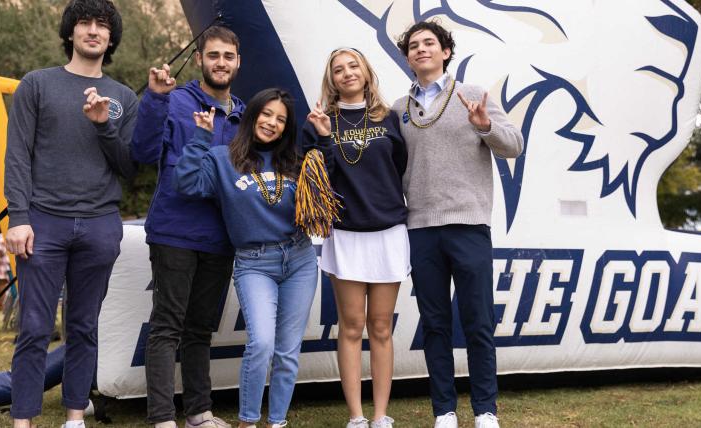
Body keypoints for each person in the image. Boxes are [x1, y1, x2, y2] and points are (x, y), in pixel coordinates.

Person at [4, 1, 137, 427]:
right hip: (42, 221)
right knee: (35, 328)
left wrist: (103, 124)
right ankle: (23, 419)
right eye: (85, 23)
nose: (93, 31)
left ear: (111, 38)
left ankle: (75, 417)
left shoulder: (123, 97)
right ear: (71, 32)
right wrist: (19, 218)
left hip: (100, 224)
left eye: (102, 25)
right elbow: (17, 157)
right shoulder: (36, 84)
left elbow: (128, 167)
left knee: (84, 326)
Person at [391, 20, 524, 428]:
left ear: (446, 51)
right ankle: (444, 411)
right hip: (421, 228)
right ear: (408, 56)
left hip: (469, 223)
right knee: (434, 324)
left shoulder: (473, 94)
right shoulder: (400, 109)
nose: (421, 50)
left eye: (430, 43)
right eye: (414, 46)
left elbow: (514, 145)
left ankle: (485, 411)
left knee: (478, 321)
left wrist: (484, 126)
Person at [174, 89, 318, 428]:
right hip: (254, 262)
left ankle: (278, 422)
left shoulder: (294, 162)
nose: (272, 123)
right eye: (267, 114)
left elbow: (321, 198)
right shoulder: (222, 158)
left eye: (280, 119)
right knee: (262, 343)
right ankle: (249, 421)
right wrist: (200, 137)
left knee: (287, 351)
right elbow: (187, 184)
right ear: (252, 115)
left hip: (299, 258)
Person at [130, 25, 244, 428]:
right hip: (174, 232)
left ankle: (199, 412)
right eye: (213, 55)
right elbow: (142, 152)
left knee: (199, 328)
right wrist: (155, 99)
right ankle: (162, 418)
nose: (220, 63)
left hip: (220, 238)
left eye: (228, 56)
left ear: (237, 62)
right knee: (167, 326)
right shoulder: (174, 100)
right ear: (199, 59)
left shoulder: (244, 115)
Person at [304, 48, 408, 428]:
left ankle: (381, 415)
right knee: (350, 328)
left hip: (388, 232)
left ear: (366, 71)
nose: (347, 73)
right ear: (330, 79)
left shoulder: (389, 118)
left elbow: (400, 171)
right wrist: (326, 139)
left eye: (353, 66)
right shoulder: (318, 121)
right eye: (338, 69)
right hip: (345, 234)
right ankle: (357, 417)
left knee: (381, 327)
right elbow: (316, 182)